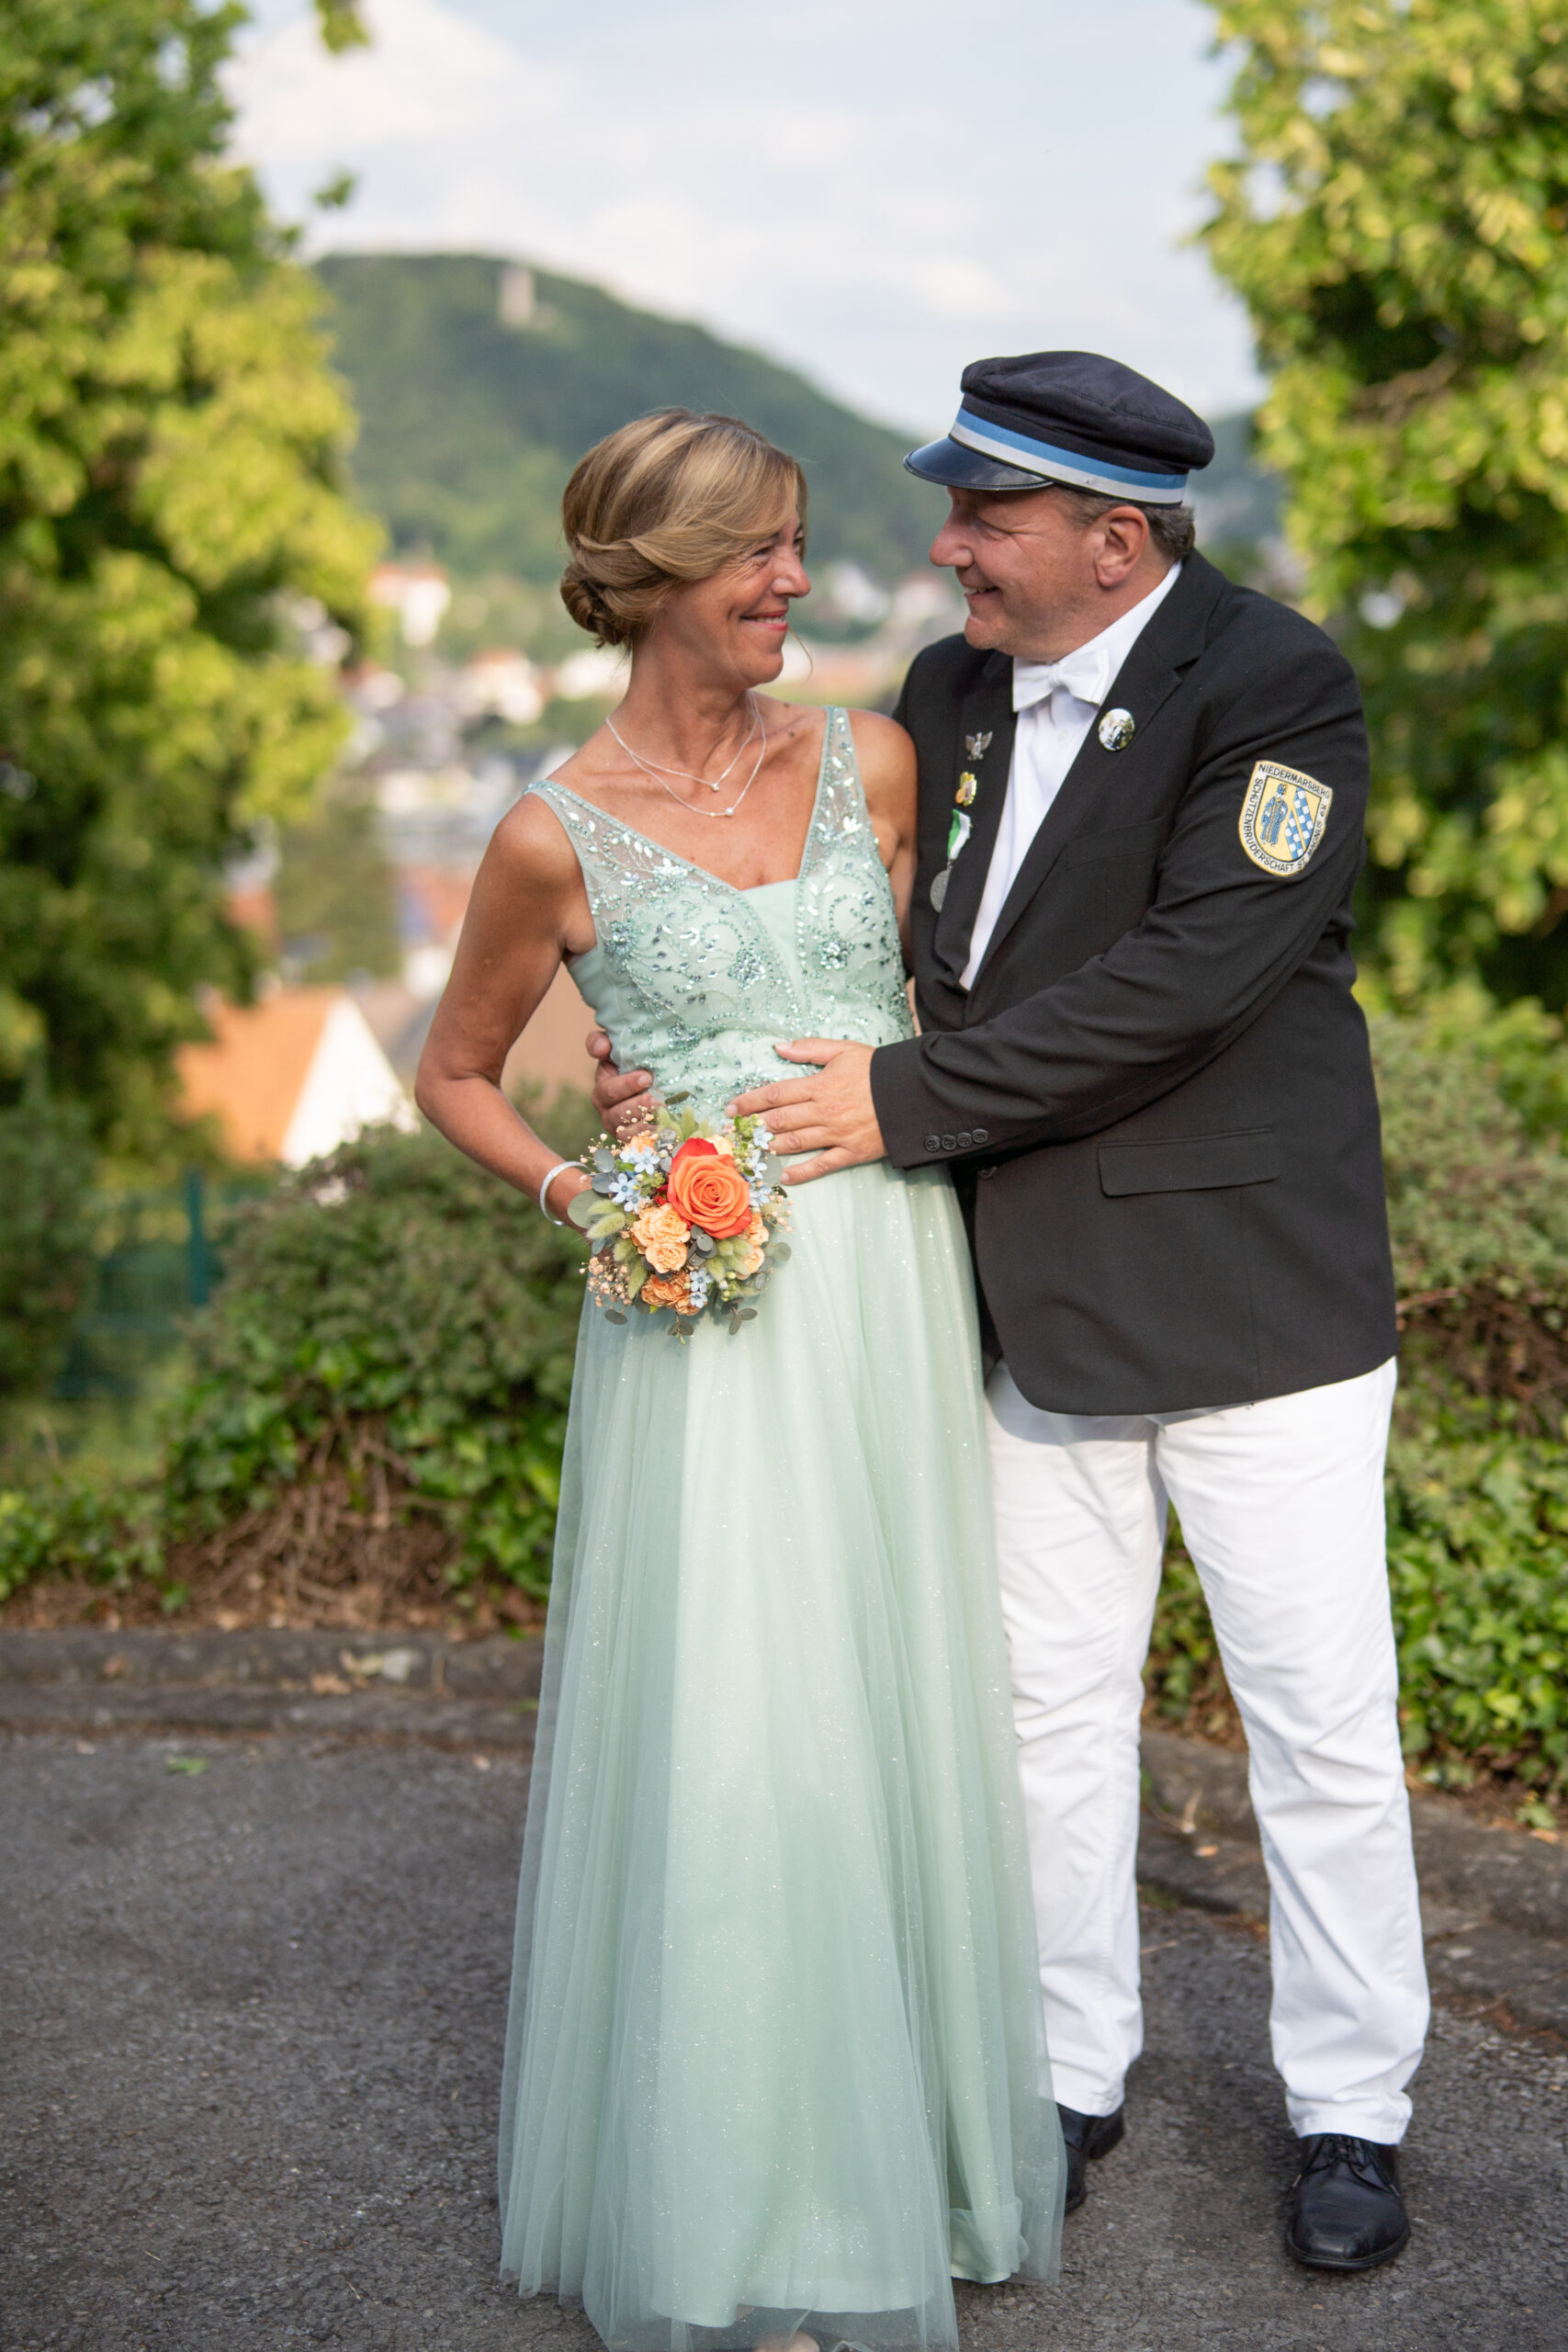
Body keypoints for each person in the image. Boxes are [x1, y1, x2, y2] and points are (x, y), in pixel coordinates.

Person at [593, 355, 1428, 2275]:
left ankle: (1350, 2111)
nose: (949, 548)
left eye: (985, 515)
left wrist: (896, 1105)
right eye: (954, 510)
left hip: (1255, 1307)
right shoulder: (948, 692)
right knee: (1043, 1716)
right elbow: (863, 942)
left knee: (1313, 1727)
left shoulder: (1275, 684)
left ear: (1112, 540)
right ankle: (1061, 2075)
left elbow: (1191, 978)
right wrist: (676, 1063)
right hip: (1026, 1294)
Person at [415, 407, 1064, 2352]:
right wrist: (590, 1188)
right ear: (656, 580)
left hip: (889, 1285)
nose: (794, 579)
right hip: (699, 1316)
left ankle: (910, 2165)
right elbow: (454, 1071)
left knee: (888, 1702)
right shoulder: (549, 833)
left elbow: (947, 1005)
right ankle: (737, 2215)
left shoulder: (875, 757)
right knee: (739, 1731)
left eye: (793, 544)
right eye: (759, 551)